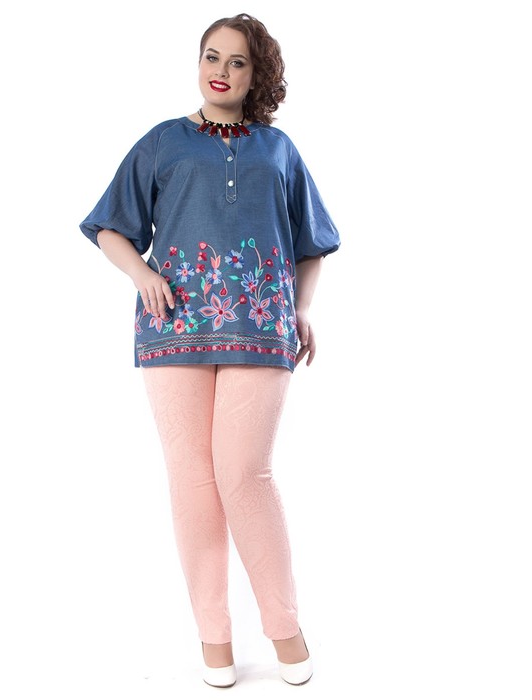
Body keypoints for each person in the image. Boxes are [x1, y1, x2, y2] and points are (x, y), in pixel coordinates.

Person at [79, 13, 340, 688]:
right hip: (172, 327)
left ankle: (284, 626)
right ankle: (213, 637)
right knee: (193, 481)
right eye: (211, 56)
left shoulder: (278, 150)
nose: (221, 70)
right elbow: (110, 226)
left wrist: (302, 309)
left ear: (258, 75)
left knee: (244, 475)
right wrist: (141, 274)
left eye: (238, 61)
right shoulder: (162, 142)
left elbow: (311, 242)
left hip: (262, 323)